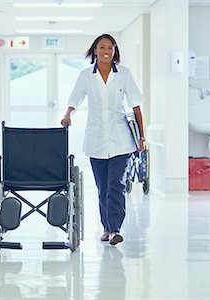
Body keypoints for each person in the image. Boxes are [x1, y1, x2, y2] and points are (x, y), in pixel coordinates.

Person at [60, 34, 145, 246]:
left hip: (121, 140)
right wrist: (68, 114)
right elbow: (75, 98)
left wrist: (142, 137)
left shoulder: (124, 74)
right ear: (95, 51)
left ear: (114, 51)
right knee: (103, 187)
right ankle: (106, 227)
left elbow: (135, 106)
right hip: (96, 139)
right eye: (102, 47)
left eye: (110, 47)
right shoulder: (85, 76)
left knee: (116, 184)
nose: (106, 51)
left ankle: (115, 228)